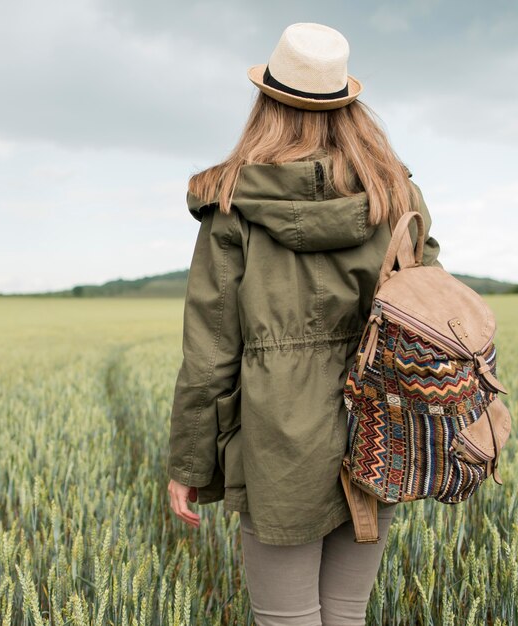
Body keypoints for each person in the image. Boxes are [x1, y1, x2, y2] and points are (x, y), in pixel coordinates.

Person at [167, 22, 441, 626]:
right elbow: (427, 304)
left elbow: (210, 352)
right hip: (380, 424)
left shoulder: (232, 204)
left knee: (285, 618)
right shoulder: (398, 195)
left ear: (266, 101)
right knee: (347, 612)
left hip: (278, 443)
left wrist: (189, 465)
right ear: (348, 104)